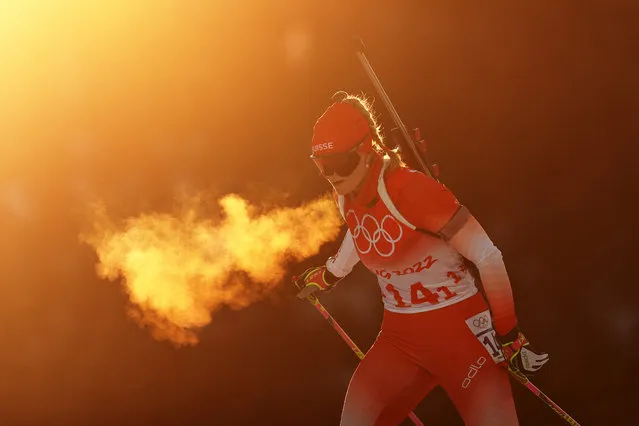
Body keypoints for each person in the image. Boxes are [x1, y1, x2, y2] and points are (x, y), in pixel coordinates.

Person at [296, 91, 550, 426]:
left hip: (462, 335)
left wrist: (509, 334)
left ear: (365, 149)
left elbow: (488, 257)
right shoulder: (345, 194)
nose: (332, 176)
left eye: (338, 164)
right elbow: (360, 231)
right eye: (322, 166)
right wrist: (331, 274)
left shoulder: (412, 190)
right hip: (400, 338)